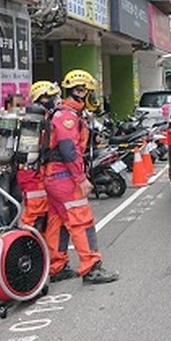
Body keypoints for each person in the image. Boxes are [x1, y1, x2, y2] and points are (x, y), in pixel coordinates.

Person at [43, 69, 119, 284]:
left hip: (52, 176)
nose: (92, 97)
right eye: (89, 92)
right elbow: (69, 150)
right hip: (64, 176)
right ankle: (91, 267)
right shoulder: (67, 117)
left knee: (57, 222)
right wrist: (81, 179)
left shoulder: (62, 113)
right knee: (81, 221)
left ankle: (57, 266)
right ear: (79, 92)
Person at [16, 81, 61, 233]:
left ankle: (37, 242)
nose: (55, 101)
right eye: (52, 97)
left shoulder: (42, 118)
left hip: (34, 171)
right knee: (35, 210)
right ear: (43, 98)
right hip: (31, 173)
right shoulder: (36, 121)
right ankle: (25, 241)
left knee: (41, 212)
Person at [0, 93, 25, 228]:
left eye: (22, 105)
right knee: (2, 197)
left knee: (16, 196)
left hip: (17, 161)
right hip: (3, 161)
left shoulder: (21, 119)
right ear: (8, 105)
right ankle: (1, 227)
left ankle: (13, 225)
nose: (21, 108)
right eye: (17, 105)